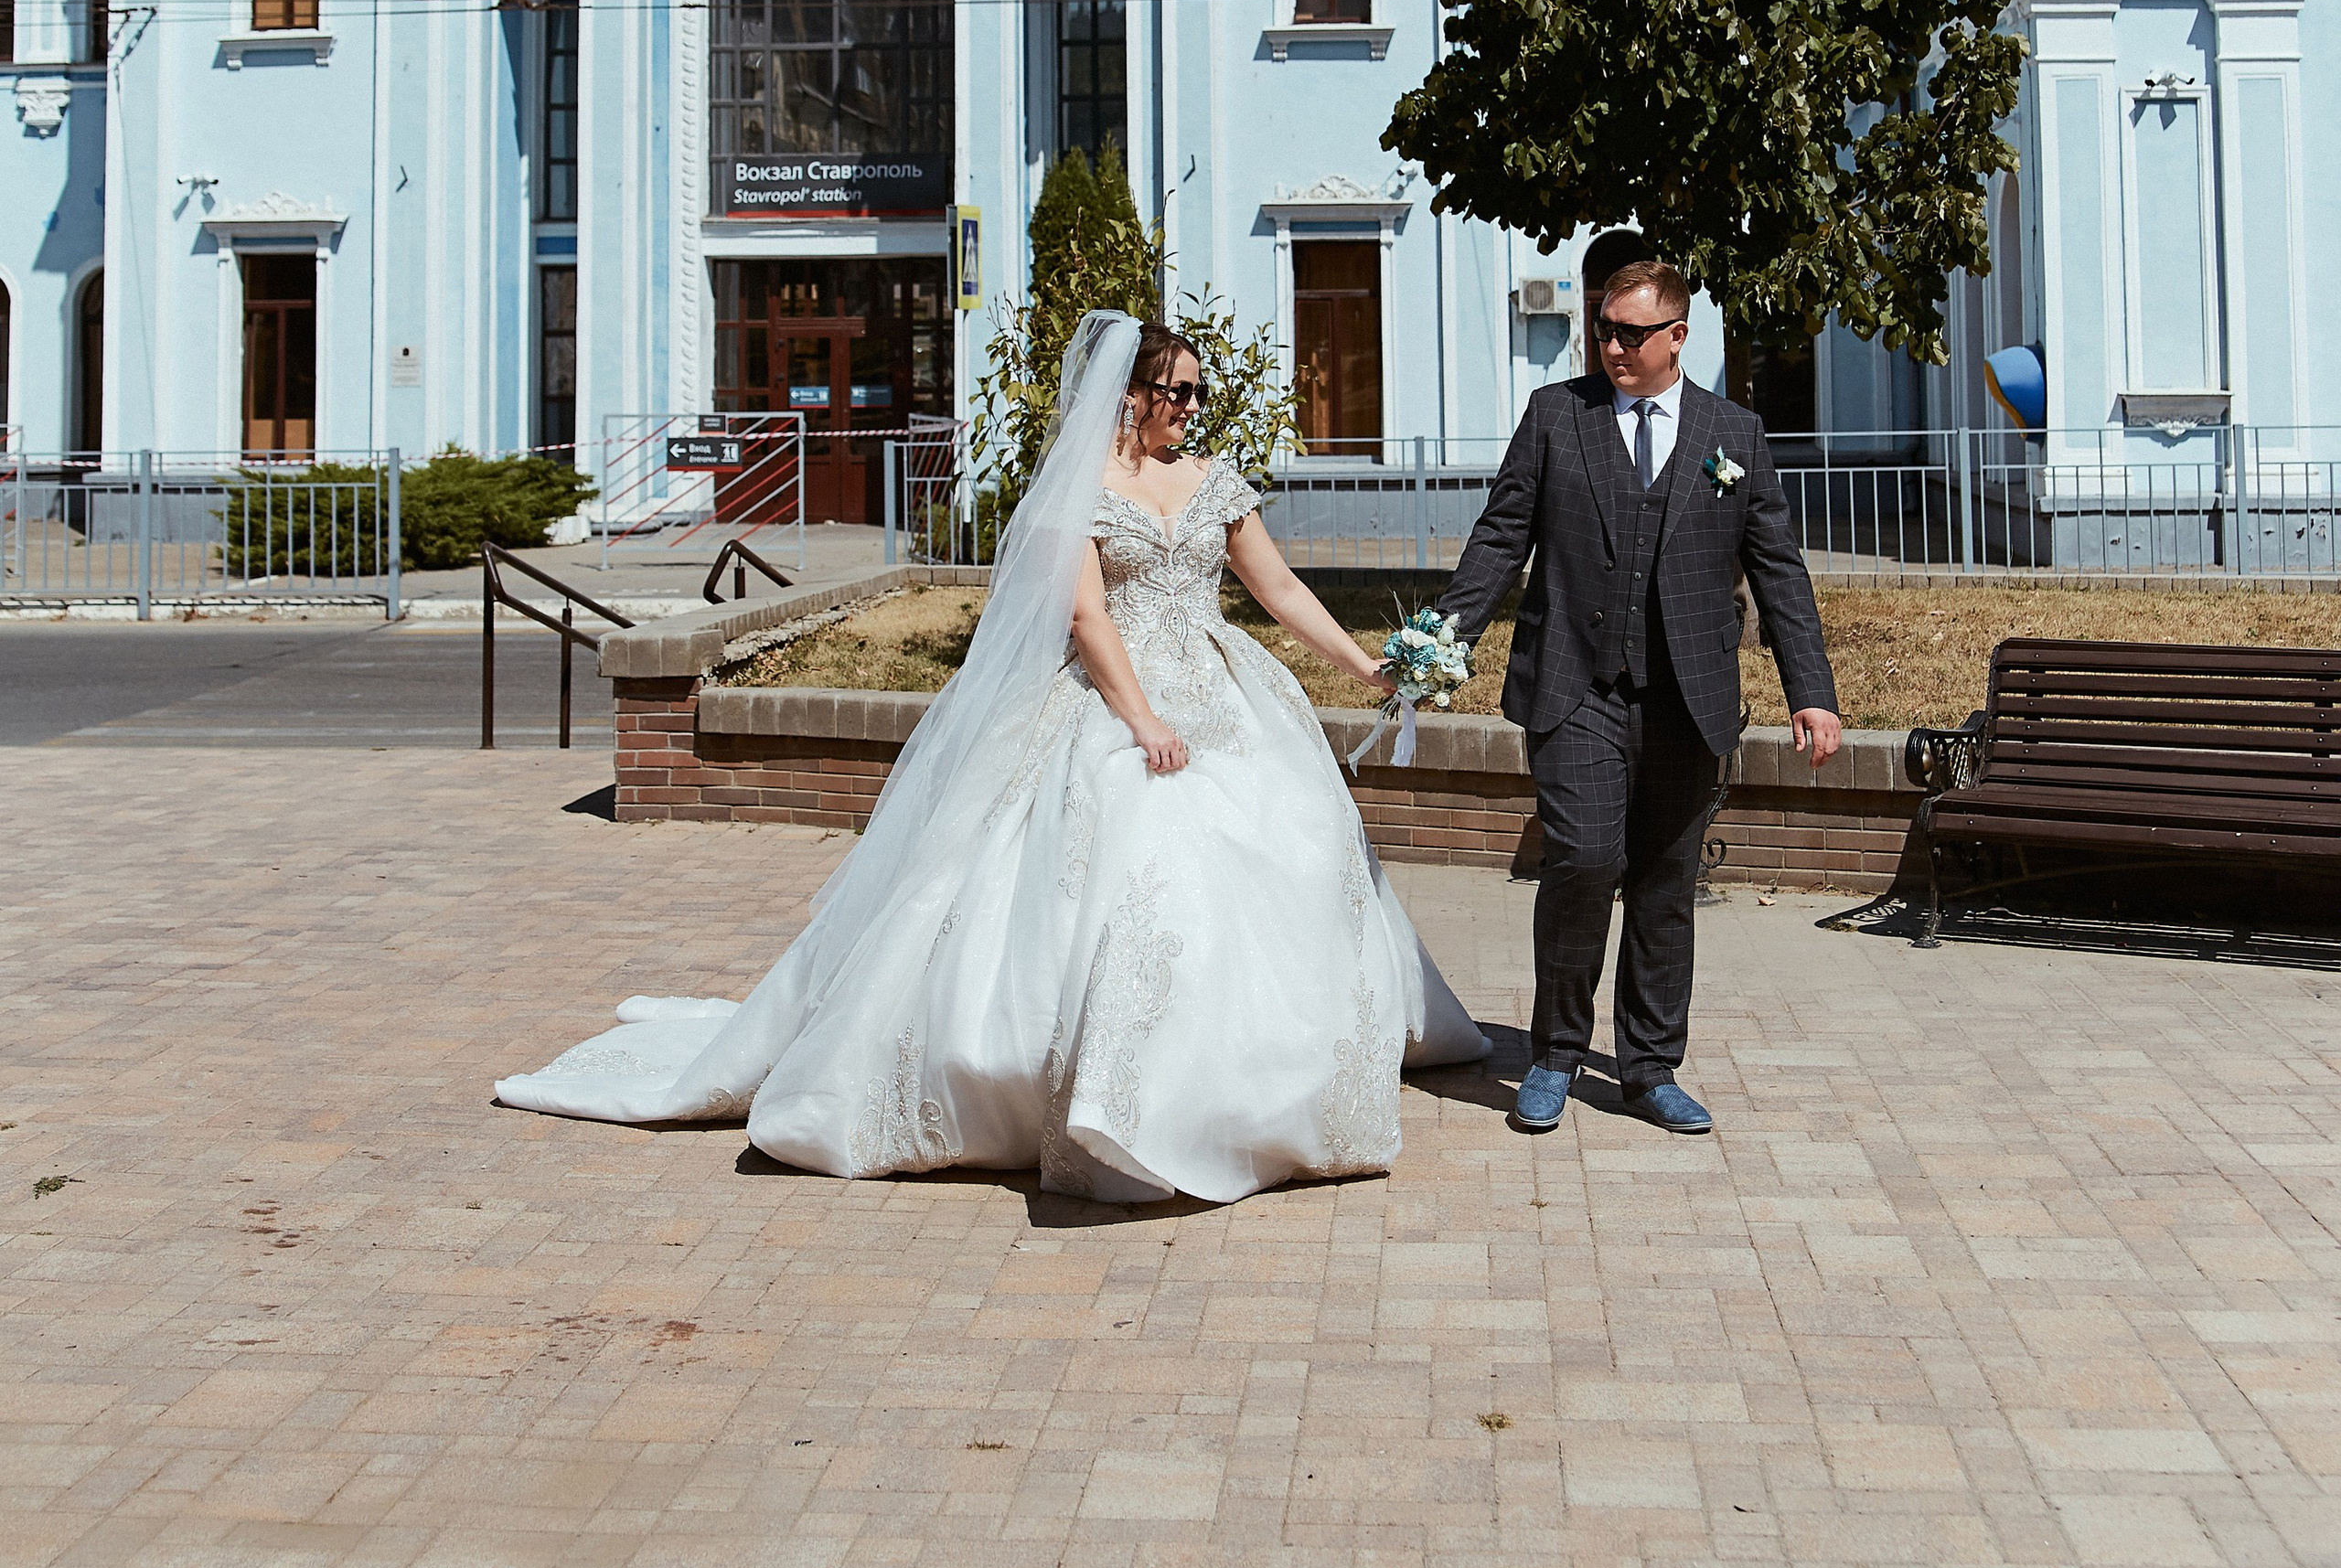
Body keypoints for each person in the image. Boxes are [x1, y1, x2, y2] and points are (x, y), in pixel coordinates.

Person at [499, 311, 1485, 1201]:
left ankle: (1266, 1079)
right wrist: (1139, 721)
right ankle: (1111, 1097)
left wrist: (1365, 664)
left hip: (1225, 691)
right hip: (1116, 696)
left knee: (1297, 846)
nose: (1189, 407)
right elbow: (1087, 613)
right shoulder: (1079, 487)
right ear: (1128, 395)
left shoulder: (1213, 481)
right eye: (1173, 391)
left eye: (1196, 391)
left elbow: (1278, 590)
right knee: (1134, 853)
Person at [1441, 256, 1841, 1138]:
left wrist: (1811, 691)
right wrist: (1442, 639)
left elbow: (1778, 568)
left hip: (1688, 699)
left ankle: (1650, 1067)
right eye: (1604, 328)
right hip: (1576, 686)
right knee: (1583, 861)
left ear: (1677, 336)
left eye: (1632, 332)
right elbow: (1502, 534)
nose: (1612, 345)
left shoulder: (1732, 431)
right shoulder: (1558, 415)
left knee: (1664, 884)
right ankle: (1554, 1050)